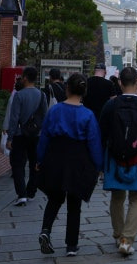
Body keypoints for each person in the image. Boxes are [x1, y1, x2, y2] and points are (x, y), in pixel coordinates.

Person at [34, 72, 103, 257]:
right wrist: (98, 165)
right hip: (78, 158)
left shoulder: (55, 110)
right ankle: (71, 245)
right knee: (74, 201)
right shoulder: (88, 114)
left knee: (55, 198)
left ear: (67, 89)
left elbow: (44, 137)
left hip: (55, 155)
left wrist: (39, 159)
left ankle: (46, 230)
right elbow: (94, 142)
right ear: (84, 92)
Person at [100, 66, 137, 257]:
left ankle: (118, 235)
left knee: (117, 197)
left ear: (120, 83)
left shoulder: (111, 105)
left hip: (115, 156)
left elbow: (102, 131)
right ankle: (127, 241)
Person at [4, 65, 47, 206]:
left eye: (22, 77)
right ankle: (31, 192)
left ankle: (21, 194)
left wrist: (10, 138)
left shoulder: (19, 95)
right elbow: (45, 116)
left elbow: (14, 118)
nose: (21, 79)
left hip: (20, 134)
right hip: (37, 135)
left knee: (18, 164)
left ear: (26, 78)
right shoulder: (42, 95)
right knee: (35, 164)